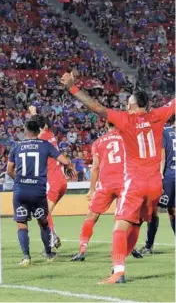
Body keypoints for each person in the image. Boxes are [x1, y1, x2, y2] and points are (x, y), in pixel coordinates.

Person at [62, 70, 175, 284]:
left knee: (119, 227)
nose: (125, 106)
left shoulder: (125, 120)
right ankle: (120, 265)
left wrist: (72, 87)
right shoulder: (159, 115)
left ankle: (118, 272)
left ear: (132, 106)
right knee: (136, 225)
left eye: (127, 104)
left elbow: (95, 107)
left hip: (135, 182)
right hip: (155, 184)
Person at [71, 122, 142, 261]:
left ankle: (82, 250)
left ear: (106, 126)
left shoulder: (98, 142)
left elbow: (95, 167)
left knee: (91, 217)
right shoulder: (128, 138)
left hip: (106, 184)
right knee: (126, 218)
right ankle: (130, 247)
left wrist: (91, 189)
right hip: (124, 182)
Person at [7, 120, 73, 266]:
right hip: (38, 190)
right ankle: (49, 254)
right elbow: (64, 160)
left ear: (25, 131)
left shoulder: (16, 146)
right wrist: (68, 167)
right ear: (38, 132)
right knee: (43, 222)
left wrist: (18, 180)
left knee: (21, 224)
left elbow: (9, 169)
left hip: (21, 190)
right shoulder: (45, 145)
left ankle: (26, 257)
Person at [29, 106, 71, 249]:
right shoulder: (50, 134)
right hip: (62, 181)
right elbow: (41, 123)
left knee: (43, 213)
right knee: (44, 212)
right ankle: (52, 236)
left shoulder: (40, 139)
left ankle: (52, 237)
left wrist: (33, 114)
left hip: (52, 181)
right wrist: (34, 114)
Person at [139, 115, 176, 254]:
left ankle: (149, 246)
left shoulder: (162, 131)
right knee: (173, 211)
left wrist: (159, 175)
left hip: (166, 176)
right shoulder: (172, 131)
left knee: (151, 210)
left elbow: (162, 155)